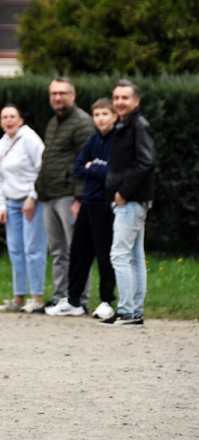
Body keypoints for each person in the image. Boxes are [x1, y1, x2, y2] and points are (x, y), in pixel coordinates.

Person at [46, 98, 118, 319]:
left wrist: (93, 168)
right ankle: (74, 300)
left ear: (114, 116)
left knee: (104, 253)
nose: (100, 119)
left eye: (105, 114)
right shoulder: (93, 139)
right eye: (96, 115)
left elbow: (113, 171)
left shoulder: (118, 140)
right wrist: (95, 168)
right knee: (78, 252)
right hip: (88, 201)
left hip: (105, 204)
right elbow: (78, 167)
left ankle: (106, 300)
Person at [34, 78, 96, 312]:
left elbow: (86, 161)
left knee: (77, 250)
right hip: (51, 195)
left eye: (62, 93)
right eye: (53, 94)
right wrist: (40, 188)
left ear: (73, 95)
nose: (57, 98)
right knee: (58, 250)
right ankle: (61, 296)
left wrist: (80, 198)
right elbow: (49, 157)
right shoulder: (54, 122)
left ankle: (79, 298)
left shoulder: (82, 123)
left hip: (70, 196)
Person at [99, 80, 156, 327]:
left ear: (136, 101)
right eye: (117, 97)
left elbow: (146, 162)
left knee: (120, 254)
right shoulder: (125, 125)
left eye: (125, 98)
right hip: (132, 199)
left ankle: (127, 311)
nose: (120, 102)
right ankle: (134, 311)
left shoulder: (138, 126)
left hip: (132, 200)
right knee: (133, 255)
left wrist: (123, 191)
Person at [0, 104, 48, 313]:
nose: (9, 121)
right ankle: (18, 299)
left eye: (12, 117)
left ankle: (36, 298)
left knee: (33, 249)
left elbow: (42, 169)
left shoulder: (30, 139)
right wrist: (2, 205)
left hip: (30, 201)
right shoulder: (1, 145)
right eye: (4, 117)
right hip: (11, 202)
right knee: (15, 249)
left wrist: (33, 197)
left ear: (21, 120)